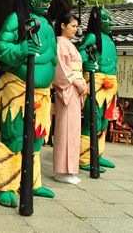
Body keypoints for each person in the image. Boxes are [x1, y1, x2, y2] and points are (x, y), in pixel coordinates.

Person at [0, 0, 57, 206]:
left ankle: (32, 181)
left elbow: (51, 58)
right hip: (18, 89)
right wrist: (19, 50)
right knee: (15, 138)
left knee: (37, 139)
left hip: (42, 94)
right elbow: (0, 46)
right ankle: (6, 183)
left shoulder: (48, 25)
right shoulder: (15, 19)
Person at [78, 6, 117, 172]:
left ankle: (98, 154)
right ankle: (86, 157)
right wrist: (86, 63)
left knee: (103, 121)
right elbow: (80, 54)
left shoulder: (109, 39)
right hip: (96, 83)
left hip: (110, 85)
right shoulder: (92, 37)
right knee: (92, 120)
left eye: (110, 19)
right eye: (105, 19)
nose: (110, 22)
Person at [52, 14, 86, 184]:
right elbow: (62, 70)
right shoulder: (60, 44)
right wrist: (77, 83)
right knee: (66, 128)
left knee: (73, 130)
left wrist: (81, 83)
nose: (75, 29)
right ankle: (61, 170)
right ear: (63, 25)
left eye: (76, 26)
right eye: (73, 26)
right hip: (69, 88)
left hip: (75, 88)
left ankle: (70, 169)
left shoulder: (70, 45)